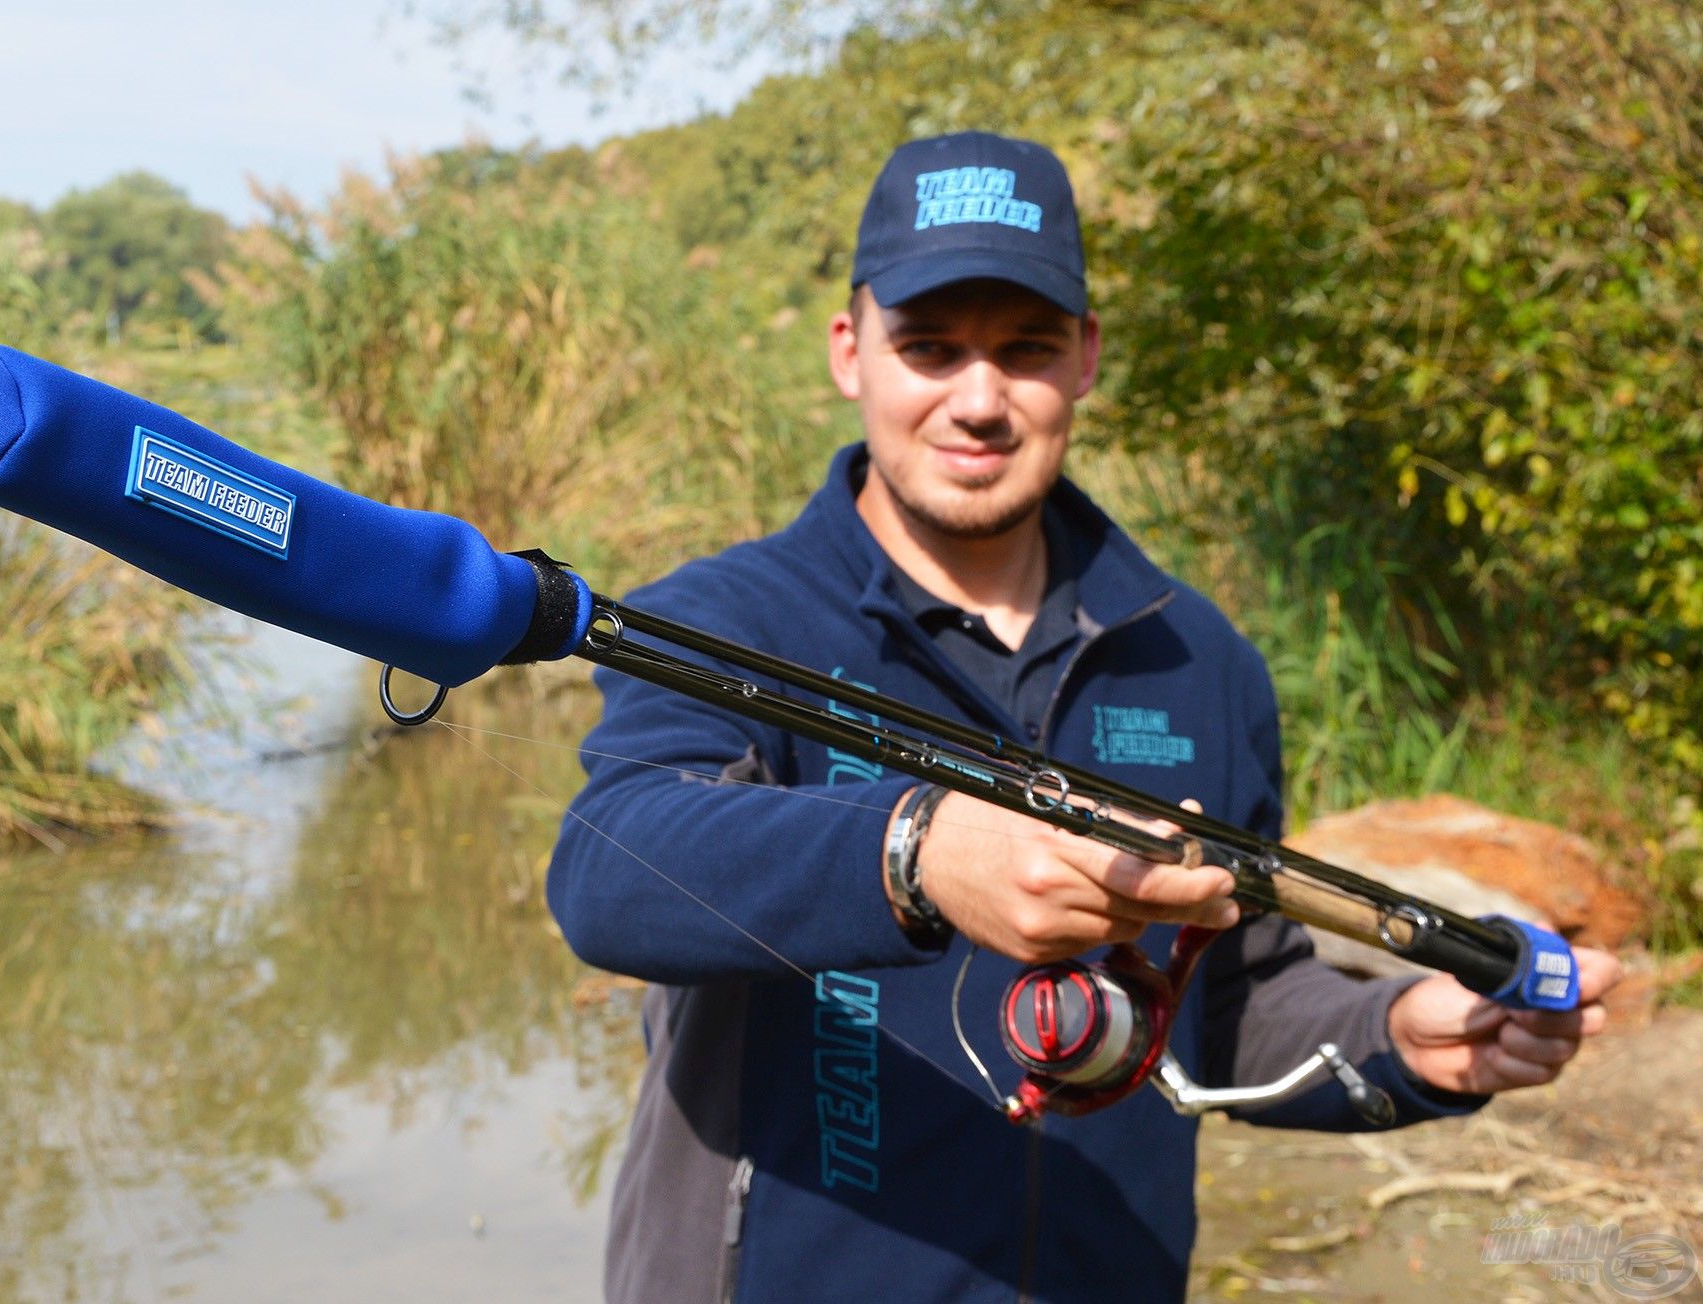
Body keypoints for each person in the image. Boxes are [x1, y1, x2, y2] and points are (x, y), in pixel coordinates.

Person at [546, 131, 1619, 1303]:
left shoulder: (1200, 658)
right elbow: (609, 870)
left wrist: (1401, 1037)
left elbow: (1233, 998)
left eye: (1026, 350)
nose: (979, 399)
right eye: (932, 347)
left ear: (1088, 357)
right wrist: (913, 854)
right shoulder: (724, 621)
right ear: (851, 350)